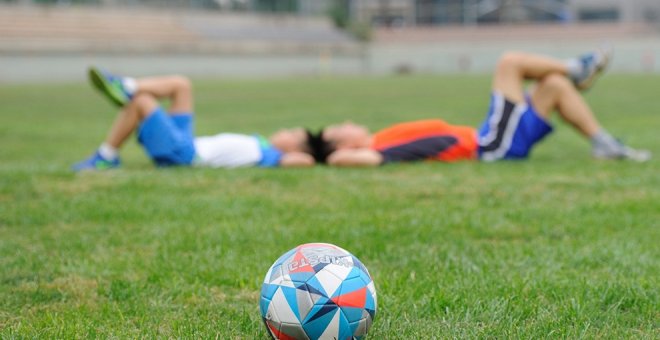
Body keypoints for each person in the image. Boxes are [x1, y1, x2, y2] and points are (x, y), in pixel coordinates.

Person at [312, 49, 651, 166]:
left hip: (491, 139)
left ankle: (604, 143)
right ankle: (578, 68)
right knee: (509, 63)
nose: (348, 121)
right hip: (490, 145)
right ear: (346, 145)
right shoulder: (377, 149)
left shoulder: (379, 137)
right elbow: (344, 160)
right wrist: (326, 155)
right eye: (341, 129)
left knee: (553, 87)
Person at [73, 68, 316, 171]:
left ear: (294, 148)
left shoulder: (275, 157)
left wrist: (324, 148)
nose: (285, 130)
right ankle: (126, 85)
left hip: (186, 155)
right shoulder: (261, 143)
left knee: (143, 102)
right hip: (187, 142)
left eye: (292, 134)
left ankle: (106, 158)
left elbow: (307, 161)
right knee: (182, 85)